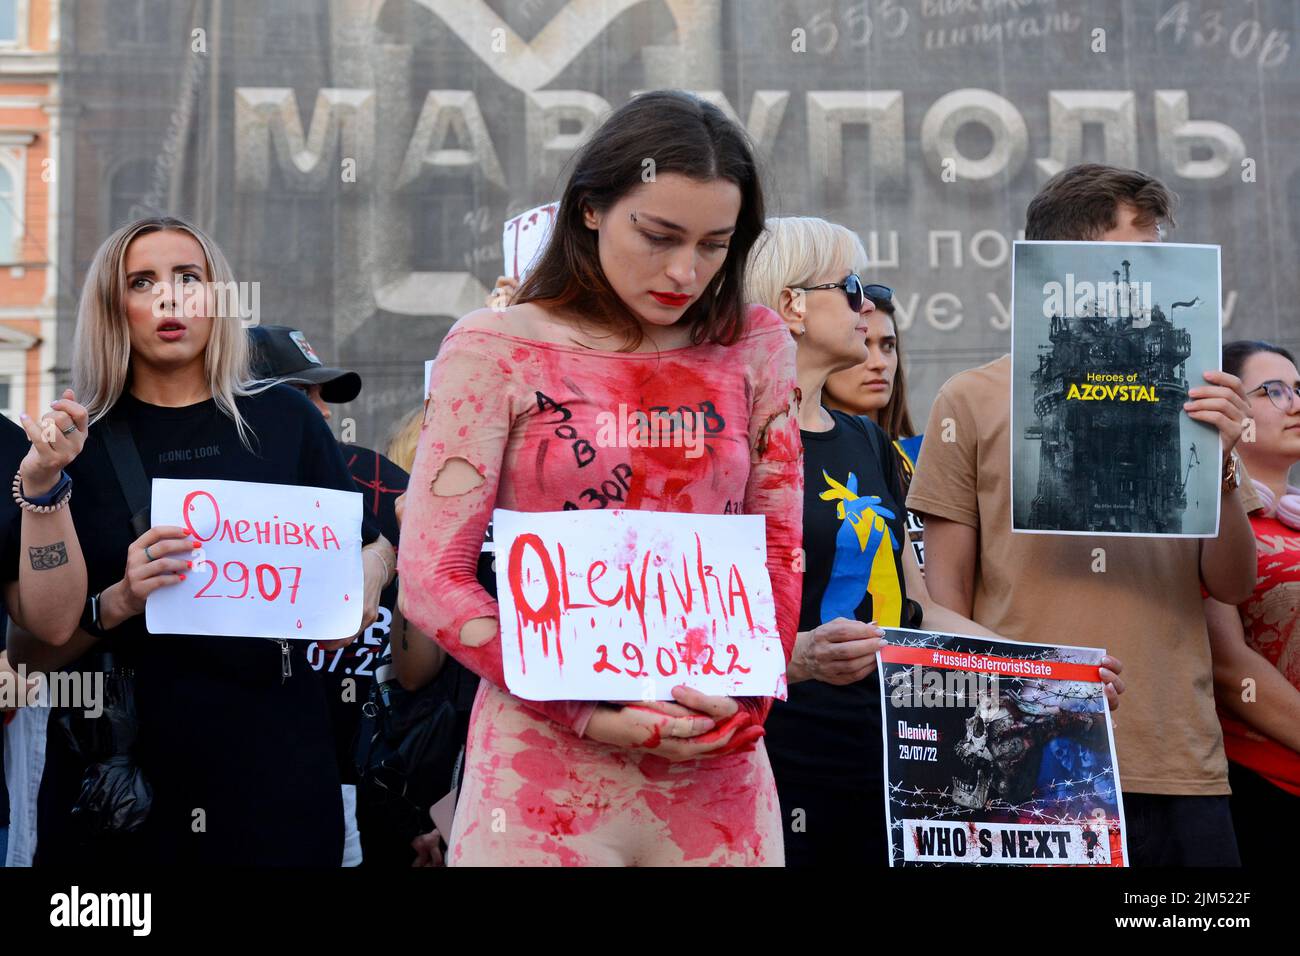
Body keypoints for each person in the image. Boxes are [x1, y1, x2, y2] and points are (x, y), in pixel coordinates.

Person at [399, 90, 803, 866]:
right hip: (539, 763)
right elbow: (429, 579)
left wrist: (750, 701)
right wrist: (582, 710)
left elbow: (778, 549)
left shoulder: (754, 343)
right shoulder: (494, 347)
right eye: (657, 235)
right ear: (589, 209)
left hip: (717, 760)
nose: (685, 270)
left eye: (716, 245)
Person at [5, 215, 392, 865]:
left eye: (190, 278)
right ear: (112, 307)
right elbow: (32, 652)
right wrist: (120, 600)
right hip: (124, 787)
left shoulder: (286, 419)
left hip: (276, 770)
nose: (170, 297)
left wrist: (362, 588)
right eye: (142, 282)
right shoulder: (77, 447)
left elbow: (372, 544)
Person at [743, 216, 1123, 866]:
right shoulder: (734, 441)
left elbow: (914, 612)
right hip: (780, 759)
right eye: (852, 286)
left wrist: (1058, 675)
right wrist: (798, 653)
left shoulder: (868, 442)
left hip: (892, 759)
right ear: (792, 305)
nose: (868, 305)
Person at [909, 164, 1259, 866]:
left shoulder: (1193, 395)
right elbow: (944, 603)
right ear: (1070, 263)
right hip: (1025, 763)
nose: (1159, 266)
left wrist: (1220, 467)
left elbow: (1234, 583)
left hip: (1176, 755)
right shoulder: (972, 398)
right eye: (1143, 250)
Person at [247, 325, 404, 865]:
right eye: (303, 394)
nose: (324, 411)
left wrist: (381, 556)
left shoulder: (377, 479)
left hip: (353, 774)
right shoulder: (198, 496)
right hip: (225, 770)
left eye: (323, 395)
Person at [1205, 340, 1300, 864]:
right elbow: (1226, 663)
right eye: (1275, 391)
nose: (1297, 404)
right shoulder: (1217, 525)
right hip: (1267, 788)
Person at [821, 291, 927, 568]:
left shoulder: (927, 457)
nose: (879, 362)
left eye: (888, 345)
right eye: (862, 342)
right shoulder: (800, 461)